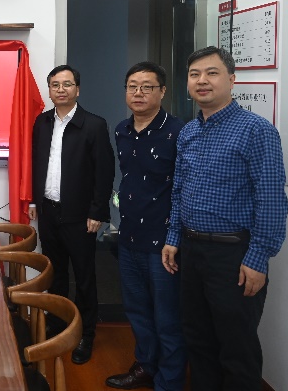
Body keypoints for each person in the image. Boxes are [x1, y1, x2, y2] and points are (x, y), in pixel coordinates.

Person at [162, 46, 288, 390]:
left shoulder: (256, 130)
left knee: (236, 348)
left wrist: (258, 257)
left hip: (234, 255)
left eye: (212, 73)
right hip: (192, 250)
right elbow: (179, 190)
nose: (202, 81)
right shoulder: (189, 132)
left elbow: (271, 199)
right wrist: (173, 237)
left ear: (232, 80)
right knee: (198, 340)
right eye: (194, 75)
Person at [106, 62, 186, 391]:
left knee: (167, 317)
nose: (138, 93)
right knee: (137, 311)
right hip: (129, 237)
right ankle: (146, 367)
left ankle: (170, 382)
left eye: (147, 87)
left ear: (162, 91)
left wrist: (175, 235)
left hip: (163, 242)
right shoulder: (122, 130)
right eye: (132, 86)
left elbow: (183, 189)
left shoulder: (179, 132)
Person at [29, 64, 115, 364]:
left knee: (85, 277)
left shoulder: (93, 124)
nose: (61, 89)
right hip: (49, 211)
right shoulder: (42, 122)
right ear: (50, 90)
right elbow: (37, 163)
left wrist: (97, 211)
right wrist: (34, 201)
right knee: (55, 274)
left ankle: (86, 334)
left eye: (67, 84)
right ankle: (57, 326)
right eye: (55, 85)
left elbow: (104, 172)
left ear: (77, 89)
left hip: (80, 217)